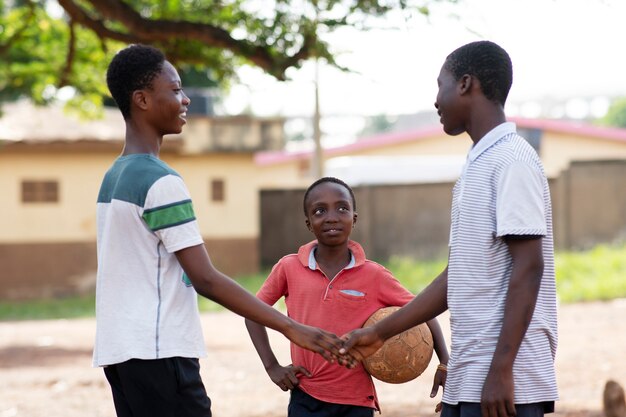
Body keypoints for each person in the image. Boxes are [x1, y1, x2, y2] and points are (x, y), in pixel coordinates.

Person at [93, 44, 345, 417]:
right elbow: (206, 279)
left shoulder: (114, 176)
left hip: (121, 353)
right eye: (175, 89)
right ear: (142, 100)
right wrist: (291, 327)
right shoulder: (159, 181)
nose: (186, 99)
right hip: (159, 352)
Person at [340, 40, 559, 417]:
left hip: (506, 382)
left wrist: (501, 370)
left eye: (440, 84)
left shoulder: (512, 160)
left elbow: (529, 267)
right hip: (471, 373)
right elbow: (458, 276)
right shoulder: (479, 163)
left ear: (465, 84)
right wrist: (380, 333)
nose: (436, 100)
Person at [245, 176, 449, 417]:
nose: (332, 217)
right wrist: (272, 366)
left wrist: (445, 362)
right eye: (320, 211)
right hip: (305, 395)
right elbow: (253, 314)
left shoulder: (374, 275)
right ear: (309, 223)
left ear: (354, 218)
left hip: (357, 401)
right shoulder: (288, 268)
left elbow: (422, 312)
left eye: (342, 208)